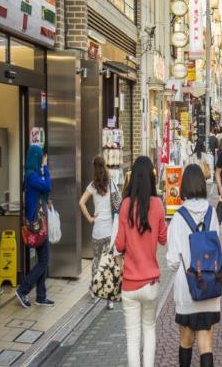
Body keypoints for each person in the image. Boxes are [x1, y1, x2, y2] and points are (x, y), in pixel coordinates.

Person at [115, 156, 168, 367]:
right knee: (149, 330)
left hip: (129, 282)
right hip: (151, 282)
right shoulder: (157, 204)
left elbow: (119, 245)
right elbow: (163, 239)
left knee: (132, 336)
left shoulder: (125, 205)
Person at [167, 164, 220, 367]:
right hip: (209, 287)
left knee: (185, 343)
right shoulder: (212, 213)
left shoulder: (179, 217)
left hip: (187, 289)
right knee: (206, 345)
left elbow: (172, 260)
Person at [79, 155, 121, 310]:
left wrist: (90, 218)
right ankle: (110, 298)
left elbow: (81, 202)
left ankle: (93, 287)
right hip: (110, 231)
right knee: (109, 263)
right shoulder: (111, 184)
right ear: (105, 167)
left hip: (97, 230)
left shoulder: (92, 185)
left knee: (96, 260)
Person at [16, 144, 54, 308]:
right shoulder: (31, 176)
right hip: (37, 225)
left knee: (43, 259)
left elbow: (44, 191)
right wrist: (45, 167)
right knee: (44, 260)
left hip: (39, 224)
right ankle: (23, 289)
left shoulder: (31, 175)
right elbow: (47, 186)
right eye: (40, 157)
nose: (42, 159)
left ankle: (41, 295)